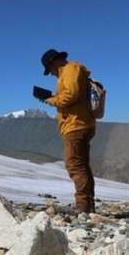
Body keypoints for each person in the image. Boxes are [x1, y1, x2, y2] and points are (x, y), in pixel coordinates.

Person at [39, 48, 97, 213]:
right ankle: (88, 205)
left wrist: (51, 99)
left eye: (49, 70)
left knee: (74, 165)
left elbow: (70, 95)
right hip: (81, 123)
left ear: (54, 62)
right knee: (82, 165)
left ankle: (83, 207)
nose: (51, 73)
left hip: (75, 125)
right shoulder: (72, 71)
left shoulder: (70, 69)